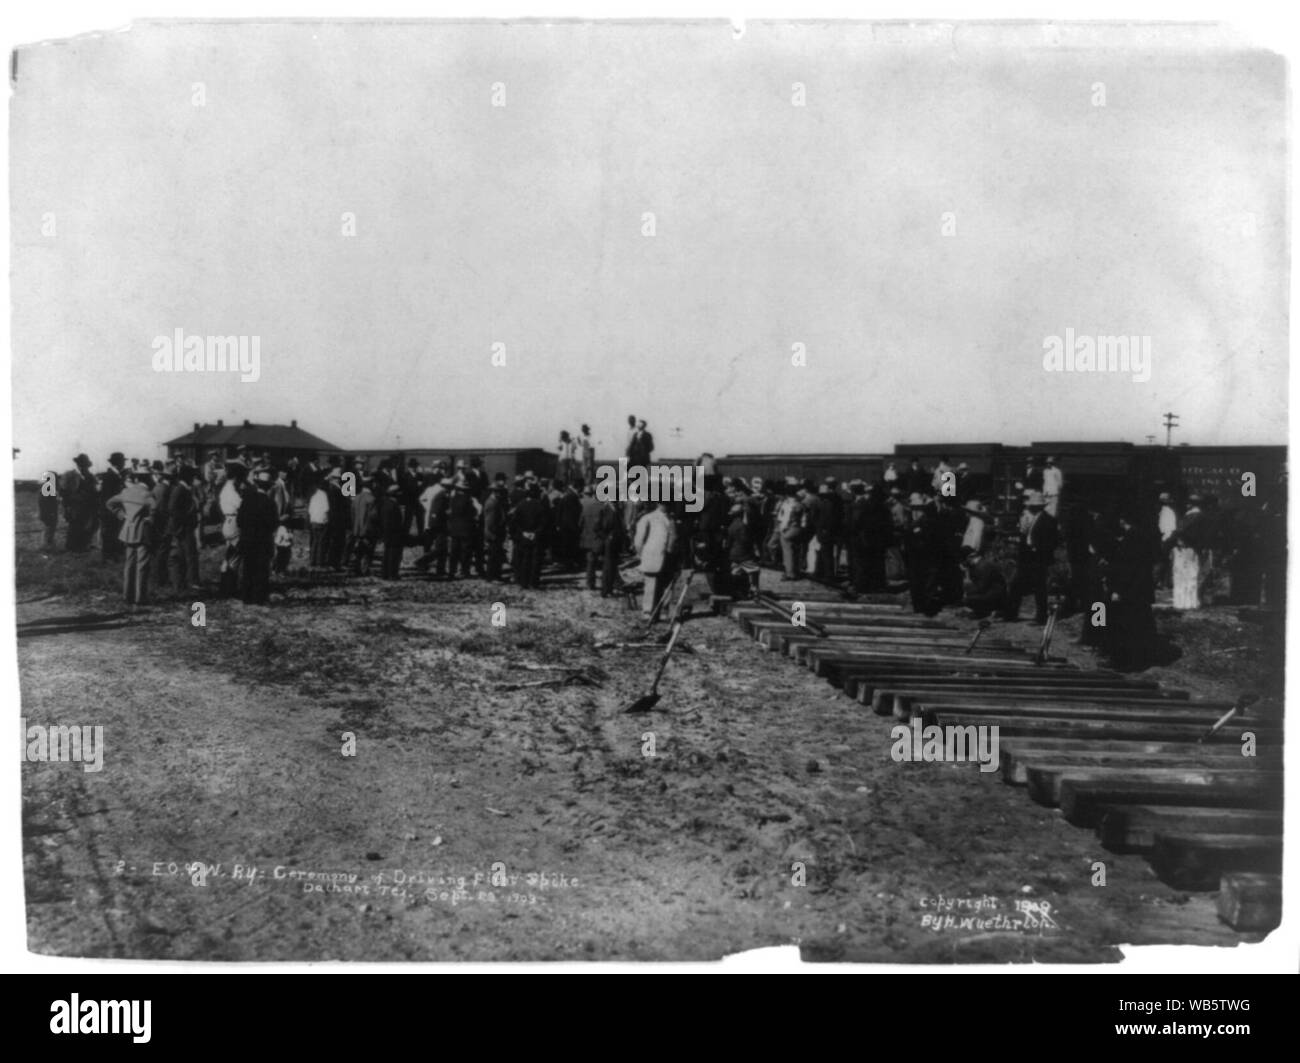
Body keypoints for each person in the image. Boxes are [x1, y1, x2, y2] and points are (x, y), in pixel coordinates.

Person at [1003, 491, 1058, 624]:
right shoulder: (1030, 518)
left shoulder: (1048, 520)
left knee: (1039, 589)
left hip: (1038, 558)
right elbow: (1025, 535)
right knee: (1016, 585)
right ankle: (1010, 614)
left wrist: (1038, 549)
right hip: (1027, 557)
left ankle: (1041, 617)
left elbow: (1052, 541)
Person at [105, 469, 156, 606]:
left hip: (127, 531)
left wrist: (122, 515)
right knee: (142, 565)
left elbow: (109, 503)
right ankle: (140, 597)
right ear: (148, 480)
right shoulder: (147, 495)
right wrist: (150, 518)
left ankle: (127, 596)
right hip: (142, 532)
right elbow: (156, 509)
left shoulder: (126, 492)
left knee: (129, 564)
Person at [237, 469, 279, 605]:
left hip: (247, 539)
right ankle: (259, 597)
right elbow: (273, 524)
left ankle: (246, 596)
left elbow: (239, 520)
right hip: (262, 541)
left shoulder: (247, 500)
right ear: (268, 487)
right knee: (261, 569)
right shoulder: (270, 503)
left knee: (248, 567)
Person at [634, 499, 677, 617]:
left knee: (667, 585)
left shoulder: (672, 519)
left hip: (669, 558)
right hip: (653, 557)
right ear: (658, 504)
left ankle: (663, 610)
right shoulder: (648, 518)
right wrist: (642, 555)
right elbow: (638, 540)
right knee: (651, 585)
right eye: (664, 503)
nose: (667, 506)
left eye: (669, 503)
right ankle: (648, 611)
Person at [167, 465, 202, 591]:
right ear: (187, 477)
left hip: (185, 527)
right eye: (192, 476)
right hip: (183, 528)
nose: (194, 478)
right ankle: (192, 582)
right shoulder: (180, 489)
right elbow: (172, 509)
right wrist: (180, 527)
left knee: (183, 556)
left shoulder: (184, 488)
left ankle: (182, 583)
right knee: (189, 555)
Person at [1171, 494, 1206, 610]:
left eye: (1188, 503)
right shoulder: (1199, 516)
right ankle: (1190, 601)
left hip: (1186, 548)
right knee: (1191, 575)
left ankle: (1183, 603)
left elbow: (1181, 531)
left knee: (1184, 575)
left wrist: (1175, 539)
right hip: (1193, 548)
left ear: (1192, 504)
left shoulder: (1192, 516)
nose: (1186, 505)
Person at [511, 482, 548, 589]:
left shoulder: (520, 505)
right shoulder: (540, 506)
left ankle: (523, 582)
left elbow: (515, 522)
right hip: (536, 537)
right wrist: (535, 533)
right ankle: (533, 582)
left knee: (524, 559)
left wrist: (522, 532)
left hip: (523, 536)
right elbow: (544, 523)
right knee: (535, 561)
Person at [218, 460, 247, 595]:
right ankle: (229, 587)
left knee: (229, 555)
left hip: (228, 522)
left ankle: (225, 586)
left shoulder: (227, 488)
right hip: (234, 522)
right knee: (235, 557)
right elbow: (242, 505)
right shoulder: (231, 490)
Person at [61, 453, 99, 553]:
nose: (84, 467)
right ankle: (71, 547)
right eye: (82, 464)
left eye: (85, 465)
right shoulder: (70, 475)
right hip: (74, 506)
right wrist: (67, 506)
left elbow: (94, 491)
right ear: (78, 464)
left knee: (87, 526)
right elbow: (64, 492)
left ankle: (83, 545)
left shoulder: (90, 476)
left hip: (87, 506)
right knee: (74, 526)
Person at [961, 547, 1007, 619]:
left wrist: (967, 593)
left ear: (969, 558)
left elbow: (982, 587)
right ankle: (985, 610)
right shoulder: (979, 564)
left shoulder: (983, 566)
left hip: (995, 596)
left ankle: (984, 612)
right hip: (991, 593)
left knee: (967, 600)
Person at [596, 496, 627, 597]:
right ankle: (605, 590)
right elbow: (597, 528)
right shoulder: (605, 509)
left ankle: (610, 588)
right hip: (609, 543)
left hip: (616, 542)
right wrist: (606, 538)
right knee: (608, 567)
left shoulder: (616, 508)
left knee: (613, 567)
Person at [348, 476, 379, 576]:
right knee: (368, 551)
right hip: (368, 530)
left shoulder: (355, 498)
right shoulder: (372, 499)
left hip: (356, 529)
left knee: (358, 551)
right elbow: (373, 517)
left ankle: (357, 568)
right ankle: (364, 569)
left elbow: (352, 515)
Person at [99, 452, 127, 561]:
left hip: (113, 508)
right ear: (117, 463)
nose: (124, 464)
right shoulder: (110, 476)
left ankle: (112, 554)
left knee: (114, 531)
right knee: (109, 532)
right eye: (123, 462)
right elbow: (107, 495)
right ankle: (108, 556)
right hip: (109, 509)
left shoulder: (115, 475)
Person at [578, 484, 605, 590]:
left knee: (590, 562)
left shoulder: (586, 507)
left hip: (588, 538)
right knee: (604, 562)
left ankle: (590, 583)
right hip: (600, 538)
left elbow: (580, 523)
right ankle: (606, 583)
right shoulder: (603, 507)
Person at [482, 481, 510, 581]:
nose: (502, 493)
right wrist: (493, 534)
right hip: (494, 533)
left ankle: (496, 575)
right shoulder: (492, 503)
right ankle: (491, 577)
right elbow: (490, 521)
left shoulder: (495, 501)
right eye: (500, 491)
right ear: (496, 492)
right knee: (493, 556)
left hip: (496, 532)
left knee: (496, 555)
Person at [379, 483, 406, 580]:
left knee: (387, 553)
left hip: (389, 533)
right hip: (394, 533)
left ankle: (385, 573)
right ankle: (392, 574)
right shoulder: (392, 505)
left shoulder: (387, 503)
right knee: (394, 554)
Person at [308, 477, 330, 569]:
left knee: (314, 542)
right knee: (321, 542)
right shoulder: (324, 495)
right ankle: (320, 561)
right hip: (321, 521)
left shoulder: (313, 496)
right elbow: (326, 509)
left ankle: (312, 560)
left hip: (313, 521)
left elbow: (310, 510)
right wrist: (327, 519)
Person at [38, 471, 59, 549]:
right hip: (49, 513)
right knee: (49, 529)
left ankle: (48, 544)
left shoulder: (47, 487)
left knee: (49, 529)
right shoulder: (48, 488)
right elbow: (47, 502)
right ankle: (47, 545)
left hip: (48, 513)